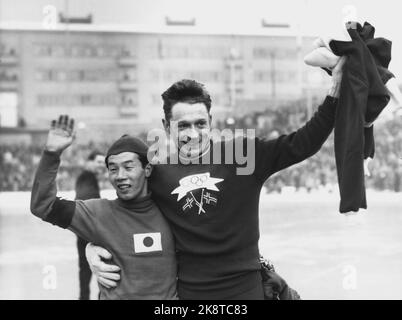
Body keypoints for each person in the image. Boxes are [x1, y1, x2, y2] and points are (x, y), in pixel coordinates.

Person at [87, 57, 345, 300]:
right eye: (183, 126)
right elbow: (121, 216)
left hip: (246, 290)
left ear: (210, 121)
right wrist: (91, 249)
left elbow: (303, 143)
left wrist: (336, 92)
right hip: (189, 294)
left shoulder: (244, 156)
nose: (193, 133)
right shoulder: (157, 172)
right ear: (167, 127)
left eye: (200, 124)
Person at [30, 117, 178, 300]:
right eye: (113, 169)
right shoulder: (98, 213)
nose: (120, 176)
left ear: (147, 170)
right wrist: (51, 154)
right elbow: (42, 205)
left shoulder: (174, 211)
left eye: (129, 167)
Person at [75, 150, 105, 300]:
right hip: (89, 229)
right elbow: (85, 200)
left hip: (84, 229)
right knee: (101, 265)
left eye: (102, 163)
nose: (101, 166)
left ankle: (84, 297)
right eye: (99, 162)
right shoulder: (87, 177)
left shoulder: (87, 177)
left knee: (85, 268)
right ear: (89, 162)